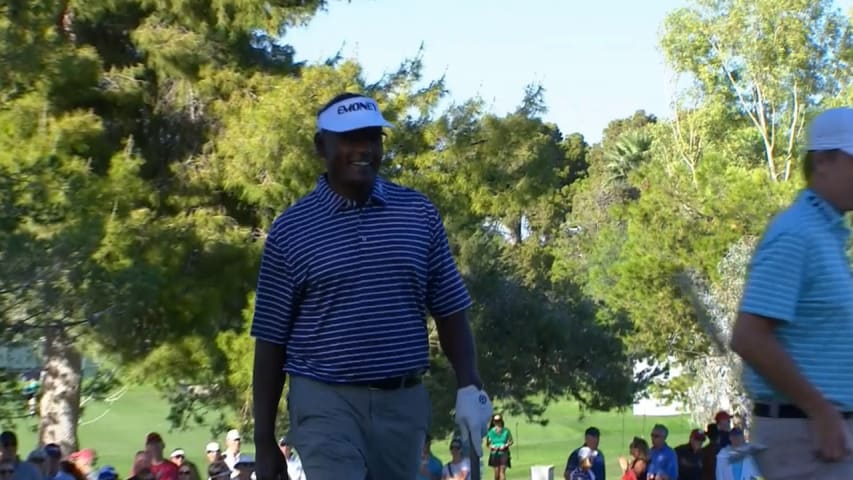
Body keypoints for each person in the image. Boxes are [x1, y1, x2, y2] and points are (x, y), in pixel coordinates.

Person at [250, 92, 492, 480]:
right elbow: (271, 340)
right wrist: (264, 439)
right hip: (324, 400)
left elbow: (449, 307)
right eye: (349, 138)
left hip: (403, 403)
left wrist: (470, 384)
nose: (363, 149)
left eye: (372, 138)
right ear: (320, 146)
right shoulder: (291, 230)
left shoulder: (418, 213)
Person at [730, 106, 853, 479]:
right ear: (823, 162)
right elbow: (749, 336)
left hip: (822, 434)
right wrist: (820, 410)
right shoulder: (796, 233)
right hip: (806, 439)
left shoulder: (826, 234)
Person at [485, 414, 513, 480]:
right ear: (494, 422)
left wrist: (505, 445)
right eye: (496, 420)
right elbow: (488, 444)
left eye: (499, 420)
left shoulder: (506, 431)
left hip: (504, 452)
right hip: (494, 453)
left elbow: (511, 441)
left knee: (502, 472)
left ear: (501, 421)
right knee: (496, 474)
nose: (498, 422)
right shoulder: (491, 432)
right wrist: (492, 447)